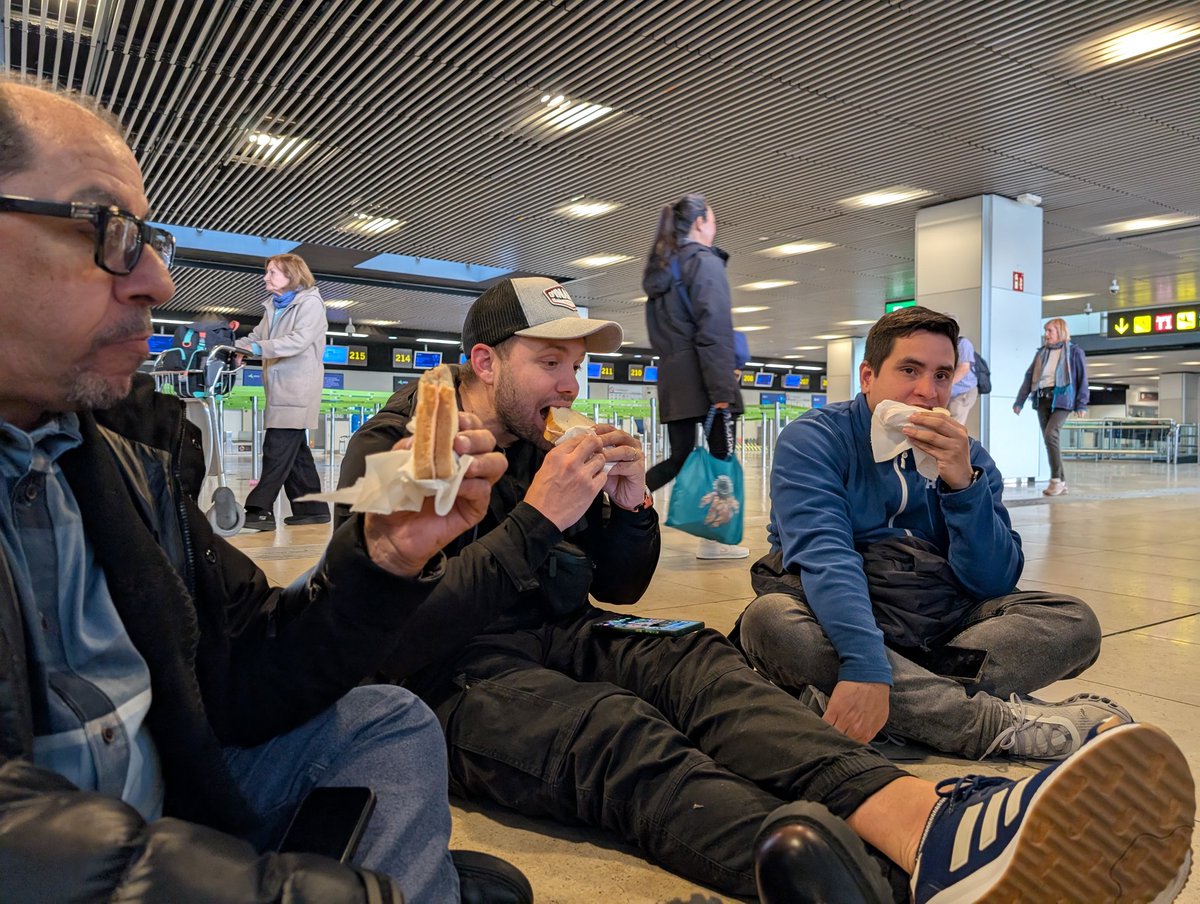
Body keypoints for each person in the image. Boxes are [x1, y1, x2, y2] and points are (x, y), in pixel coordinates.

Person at [338, 280, 1194, 903]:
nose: (571, 384)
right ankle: (868, 878)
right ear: (485, 361)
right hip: (448, 676)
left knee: (700, 660)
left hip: (564, 632)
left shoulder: (545, 440)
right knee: (616, 728)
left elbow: (621, 587)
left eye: (578, 364)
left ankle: (923, 819)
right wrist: (538, 518)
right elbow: (396, 636)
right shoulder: (398, 445)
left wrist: (631, 509)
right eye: (550, 362)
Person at [0, 74, 527, 903]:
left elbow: (238, 673)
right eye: (106, 229)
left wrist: (381, 560)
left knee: (386, 721)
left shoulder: (121, 467)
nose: (157, 282)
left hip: (172, 797)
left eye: (150, 240)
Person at [734, 306, 1127, 762]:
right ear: (868, 377)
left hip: (942, 625)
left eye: (942, 375)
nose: (927, 391)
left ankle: (891, 707)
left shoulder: (971, 457)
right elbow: (826, 556)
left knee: (1075, 623)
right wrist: (864, 662)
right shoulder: (816, 439)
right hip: (839, 617)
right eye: (909, 370)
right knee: (770, 622)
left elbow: (994, 582)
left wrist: (962, 485)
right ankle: (991, 725)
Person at [642, 193, 748, 559]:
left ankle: (619, 499)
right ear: (700, 222)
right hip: (705, 378)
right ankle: (715, 539)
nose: (715, 227)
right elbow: (714, 329)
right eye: (713, 220)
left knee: (680, 457)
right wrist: (722, 390)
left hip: (674, 379)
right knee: (721, 458)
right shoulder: (703, 262)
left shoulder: (662, 270)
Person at [236, 253, 331, 530]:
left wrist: (256, 349)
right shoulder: (273, 307)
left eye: (273, 272)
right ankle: (312, 509)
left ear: (292, 275)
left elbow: (298, 341)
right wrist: (236, 348)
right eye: (267, 272)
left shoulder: (310, 303)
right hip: (279, 389)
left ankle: (259, 510)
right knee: (296, 453)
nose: (266, 277)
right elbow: (257, 336)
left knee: (276, 449)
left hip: (297, 389)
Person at [1013, 317, 1088, 496]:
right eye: (1045, 331)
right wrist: (1020, 401)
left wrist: (1081, 404)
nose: (1046, 335)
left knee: (1050, 434)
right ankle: (1062, 482)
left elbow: (1082, 379)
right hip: (1042, 399)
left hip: (1063, 398)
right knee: (1049, 440)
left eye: (1050, 331)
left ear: (1060, 332)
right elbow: (1029, 377)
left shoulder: (1074, 352)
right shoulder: (1041, 353)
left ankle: (1055, 480)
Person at [947, 332, 978, 425]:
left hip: (963, 391)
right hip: (950, 393)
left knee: (954, 424)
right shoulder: (944, 345)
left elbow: (964, 368)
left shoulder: (963, 343)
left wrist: (945, 385)